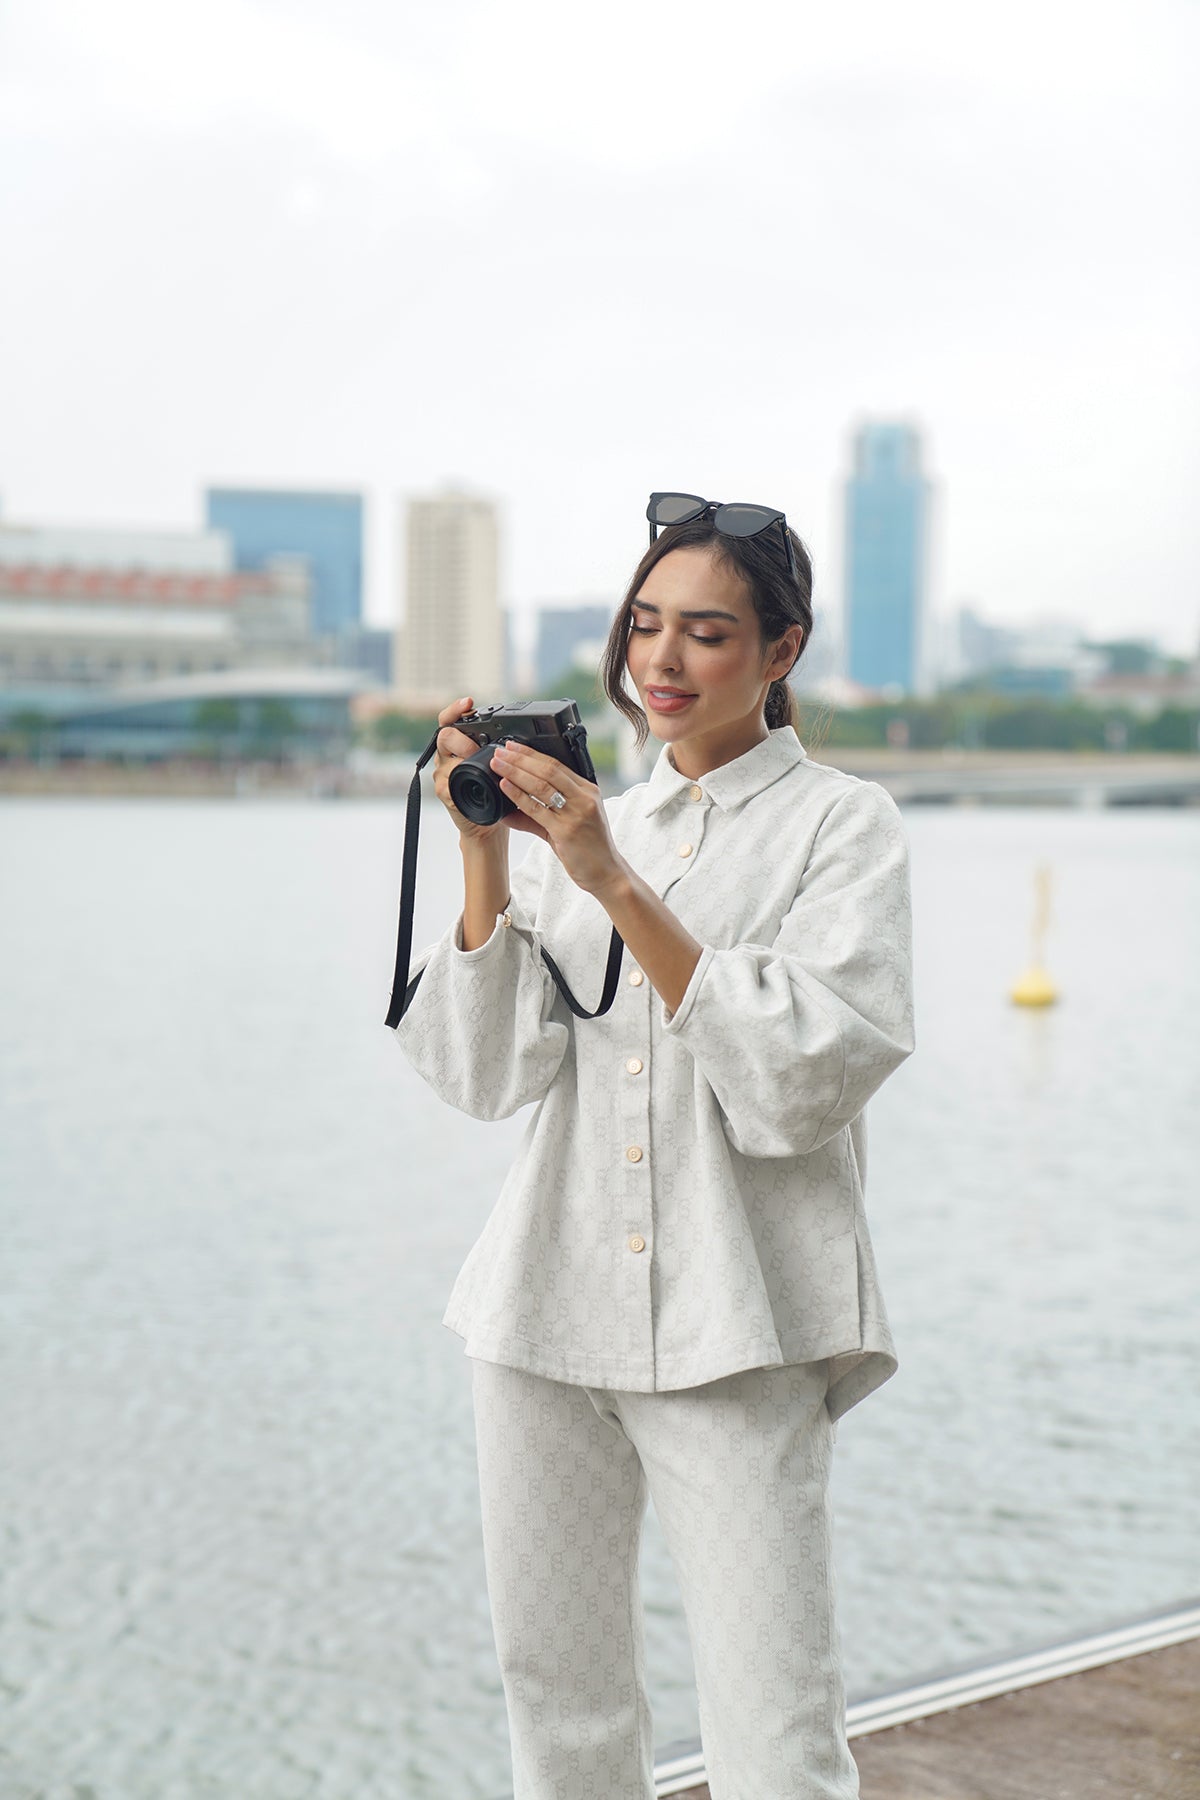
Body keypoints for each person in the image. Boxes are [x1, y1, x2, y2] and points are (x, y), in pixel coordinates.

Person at [392, 493, 915, 1800]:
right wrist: (481, 864)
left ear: (781, 653)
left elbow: (811, 1073)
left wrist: (610, 876)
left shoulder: (842, 827)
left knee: (775, 1733)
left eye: (706, 633)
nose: (662, 664)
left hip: (738, 1319)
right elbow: (486, 1071)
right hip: (541, 1310)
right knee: (555, 1703)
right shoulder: (578, 821)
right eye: (642, 627)